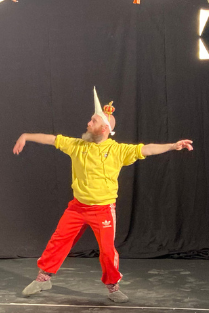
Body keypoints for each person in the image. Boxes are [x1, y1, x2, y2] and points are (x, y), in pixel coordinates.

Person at [12, 88, 192, 303]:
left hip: (103, 210)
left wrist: (173, 146)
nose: (88, 123)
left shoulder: (118, 150)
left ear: (105, 128)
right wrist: (25, 136)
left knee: (107, 251)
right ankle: (43, 278)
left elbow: (147, 150)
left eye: (93, 120)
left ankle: (113, 287)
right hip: (77, 207)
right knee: (58, 241)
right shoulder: (77, 145)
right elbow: (50, 139)